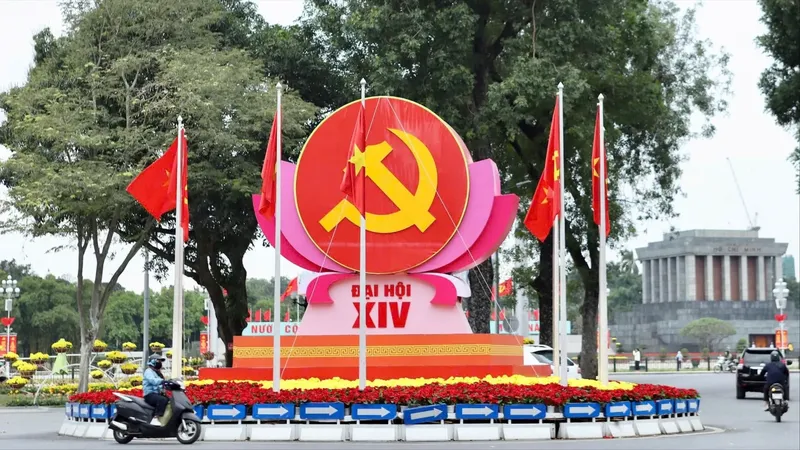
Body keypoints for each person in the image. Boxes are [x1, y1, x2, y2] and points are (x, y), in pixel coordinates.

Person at [143, 355, 168, 425]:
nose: (160, 363)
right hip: (149, 394)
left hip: (157, 394)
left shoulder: (158, 372)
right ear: (152, 361)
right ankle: (155, 418)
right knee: (162, 400)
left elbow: (162, 383)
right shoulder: (148, 371)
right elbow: (153, 380)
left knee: (170, 400)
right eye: (158, 361)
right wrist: (162, 381)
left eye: (160, 361)